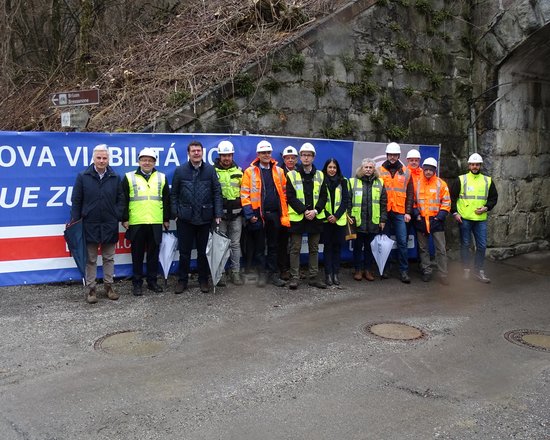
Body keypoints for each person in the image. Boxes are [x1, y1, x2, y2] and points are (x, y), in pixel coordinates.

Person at [70, 144, 124, 304]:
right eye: (99, 158)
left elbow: (121, 199)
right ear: (93, 158)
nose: (101, 161)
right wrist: (76, 220)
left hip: (109, 223)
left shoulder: (115, 177)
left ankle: (109, 286)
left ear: (108, 159)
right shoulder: (83, 176)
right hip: (89, 223)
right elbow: (76, 200)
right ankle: (91, 289)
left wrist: (117, 215)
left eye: (104, 158)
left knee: (109, 257)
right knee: (91, 259)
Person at [171, 140, 222, 294]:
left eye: (198, 150)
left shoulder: (210, 170)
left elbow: (217, 193)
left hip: (205, 218)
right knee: (184, 252)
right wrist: (176, 214)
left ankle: (203, 280)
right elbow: (173, 195)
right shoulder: (180, 171)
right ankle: (182, 281)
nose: (196, 153)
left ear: (202, 152)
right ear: (188, 153)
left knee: (202, 252)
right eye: (193, 151)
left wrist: (218, 213)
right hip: (185, 219)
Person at [121, 148, 170, 296]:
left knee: (153, 255)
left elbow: (166, 200)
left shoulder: (162, 177)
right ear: (139, 161)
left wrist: (166, 219)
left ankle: (152, 281)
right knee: (137, 255)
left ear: (155, 162)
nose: (147, 162)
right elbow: (123, 199)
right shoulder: (129, 177)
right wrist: (124, 218)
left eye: (150, 160)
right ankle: (137, 284)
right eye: (144, 160)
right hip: (136, 222)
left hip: (155, 221)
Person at [240, 140, 288, 287]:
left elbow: (285, 193)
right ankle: (261, 275)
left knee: (273, 246)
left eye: (268, 152)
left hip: (275, 214)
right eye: (263, 152)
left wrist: (283, 213)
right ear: (258, 154)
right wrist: (249, 215)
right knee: (259, 247)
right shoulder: (249, 172)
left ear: (271, 154)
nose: (266, 155)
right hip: (258, 215)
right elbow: (244, 194)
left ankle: (273, 274)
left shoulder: (279, 171)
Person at [450, 153, 498, 283]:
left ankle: (478, 270)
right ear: (469, 165)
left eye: (477, 164)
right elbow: (452, 198)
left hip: (480, 219)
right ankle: (465, 270)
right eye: (472, 164)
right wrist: (455, 213)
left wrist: (486, 207)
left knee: (482, 246)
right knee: (465, 245)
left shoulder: (487, 180)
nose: (475, 166)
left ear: (480, 165)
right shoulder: (461, 179)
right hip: (464, 218)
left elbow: (494, 198)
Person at [286, 142, 328, 290]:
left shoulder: (321, 175)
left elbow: (324, 196)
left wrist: (315, 211)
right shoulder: (291, 174)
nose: (306, 158)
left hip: (315, 217)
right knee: (295, 248)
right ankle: (295, 278)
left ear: (313, 157)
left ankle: (313, 277)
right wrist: (304, 210)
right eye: (303, 155)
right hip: (298, 217)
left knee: (314, 248)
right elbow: (290, 197)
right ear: (300, 157)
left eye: (309, 155)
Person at [379, 142, 414, 283]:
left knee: (402, 242)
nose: (392, 157)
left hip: (400, 212)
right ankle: (385, 269)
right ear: (387, 155)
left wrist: (408, 212)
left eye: (395, 155)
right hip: (385, 212)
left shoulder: (406, 171)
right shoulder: (379, 170)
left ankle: (404, 271)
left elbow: (410, 193)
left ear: (399, 155)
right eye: (390, 155)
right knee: (385, 242)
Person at [412, 158, 451, 284]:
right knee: (423, 248)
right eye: (426, 169)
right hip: (421, 220)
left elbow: (446, 202)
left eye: (431, 170)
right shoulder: (417, 183)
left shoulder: (441, 184)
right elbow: (413, 202)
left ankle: (443, 274)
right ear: (423, 169)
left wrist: (440, 217)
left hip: (436, 221)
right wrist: (417, 214)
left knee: (441, 249)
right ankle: (426, 270)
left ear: (434, 170)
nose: (428, 172)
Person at [348, 158, 387, 281]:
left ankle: (368, 271)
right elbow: (348, 200)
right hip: (357, 221)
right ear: (361, 168)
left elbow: (383, 202)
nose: (368, 169)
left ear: (374, 169)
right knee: (358, 247)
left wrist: (383, 219)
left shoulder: (380, 182)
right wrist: (349, 215)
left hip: (373, 222)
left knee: (370, 248)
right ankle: (358, 270)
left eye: (371, 167)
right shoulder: (353, 182)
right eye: (366, 167)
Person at [214, 140, 244, 286]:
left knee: (235, 245)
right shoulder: (213, 171)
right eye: (223, 155)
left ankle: (235, 273)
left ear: (232, 155)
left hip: (237, 215)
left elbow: (245, 192)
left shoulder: (239, 171)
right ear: (219, 156)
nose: (226, 158)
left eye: (229, 155)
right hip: (220, 216)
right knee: (220, 245)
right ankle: (220, 274)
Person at [321, 158, 349, 286]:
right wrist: (328, 216)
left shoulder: (343, 181)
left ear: (337, 169)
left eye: (334, 167)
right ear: (326, 168)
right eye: (330, 167)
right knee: (327, 248)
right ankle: (328, 275)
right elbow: (319, 200)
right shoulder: (321, 180)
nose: (332, 170)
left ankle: (336, 274)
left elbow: (345, 201)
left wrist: (336, 216)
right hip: (326, 221)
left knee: (337, 248)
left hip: (339, 221)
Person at [277, 146, 298, 281]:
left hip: (297, 212)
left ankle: (294, 269)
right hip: (283, 213)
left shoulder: (300, 172)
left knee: (295, 243)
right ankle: (283, 269)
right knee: (283, 242)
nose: (290, 160)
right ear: (283, 159)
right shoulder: (278, 172)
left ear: (296, 159)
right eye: (287, 158)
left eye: (292, 158)